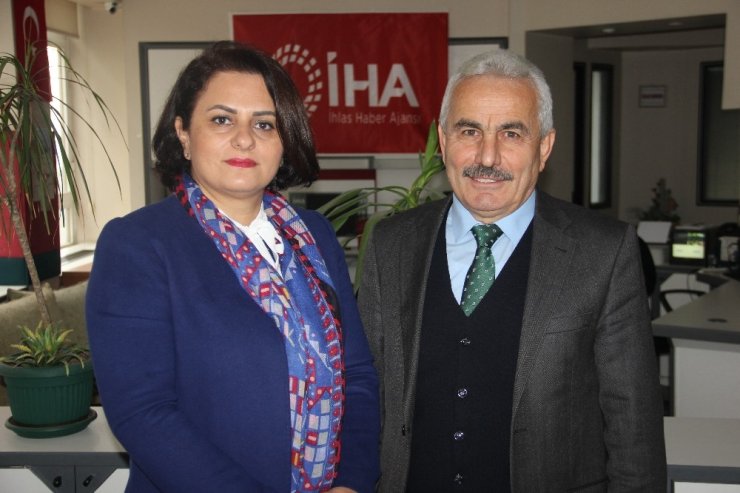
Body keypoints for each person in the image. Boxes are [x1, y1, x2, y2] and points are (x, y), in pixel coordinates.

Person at [358, 49, 666, 492]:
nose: (488, 156)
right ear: (443, 141)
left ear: (544, 148)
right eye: (469, 131)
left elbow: (633, 423)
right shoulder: (391, 244)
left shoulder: (604, 252)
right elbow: (366, 392)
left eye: (511, 133)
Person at [87, 41, 379, 493]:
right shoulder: (138, 245)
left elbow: (356, 375)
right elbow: (144, 413)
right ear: (183, 133)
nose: (245, 139)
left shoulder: (316, 236)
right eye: (222, 120)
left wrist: (351, 482)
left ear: (284, 140)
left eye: (264, 124)